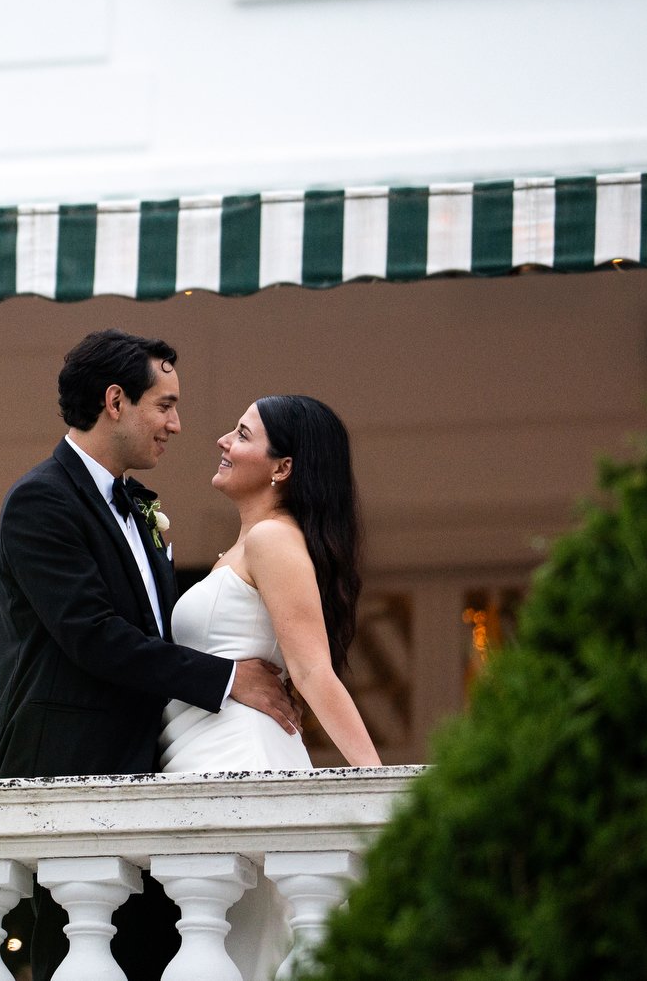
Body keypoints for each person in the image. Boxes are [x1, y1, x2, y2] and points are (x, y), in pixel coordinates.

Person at [0, 330, 298, 981]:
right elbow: (92, 634)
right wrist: (228, 677)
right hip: (70, 776)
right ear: (116, 401)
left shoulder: (139, 508)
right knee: (76, 959)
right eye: (165, 405)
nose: (178, 425)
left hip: (148, 777)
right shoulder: (41, 501)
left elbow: (152, 636)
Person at [157, 394, 381, 978]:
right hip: (205, 751)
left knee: (247, 954)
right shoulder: (249, 542)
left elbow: (313, 673)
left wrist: (377, 789)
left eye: (241, 434)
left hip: (239, 757)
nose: (223, 442)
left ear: (281, 467)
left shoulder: (272, 540)